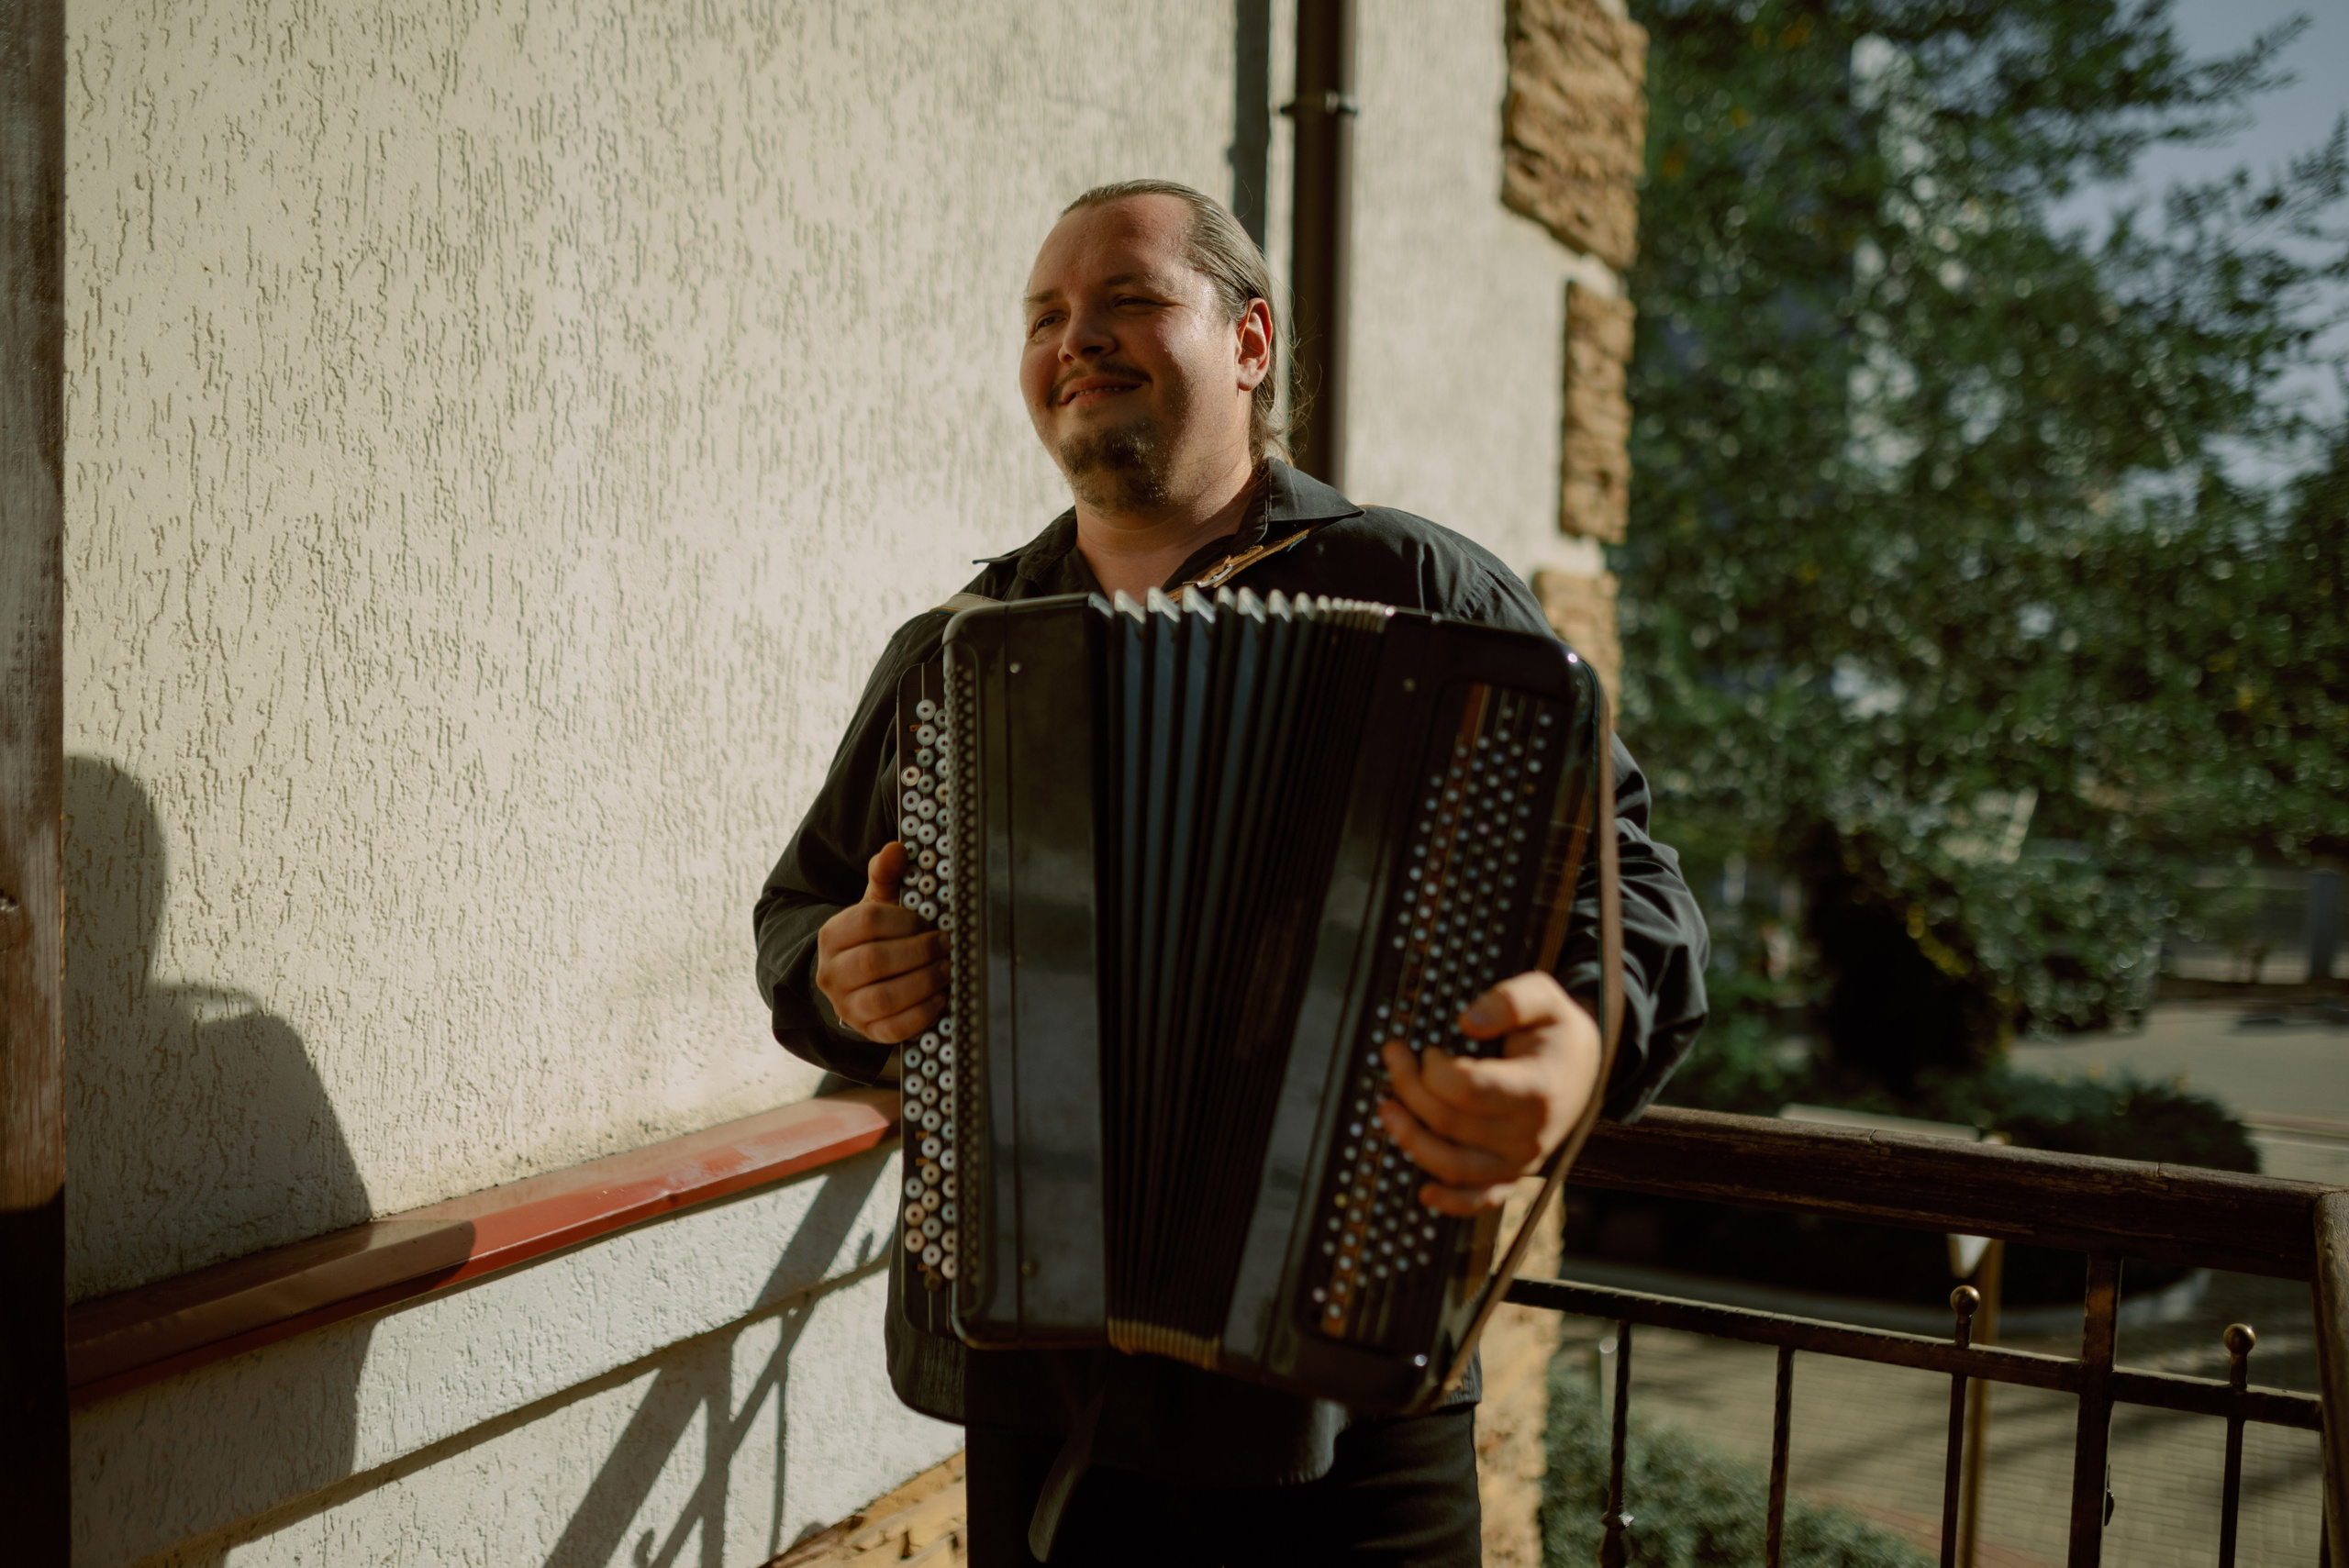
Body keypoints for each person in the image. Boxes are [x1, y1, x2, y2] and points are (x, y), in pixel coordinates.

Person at [754, 179, 1708, 1566]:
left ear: (1250, 342)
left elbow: (1634, 896)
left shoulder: (1426, 600)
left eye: (1129, 298)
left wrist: (1581, 1048)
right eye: (1046, 316)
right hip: (1038, 1394)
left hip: (1353, 1408)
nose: (1076, 337)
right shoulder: (955, 651)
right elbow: (799, 919)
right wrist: (845, 974)